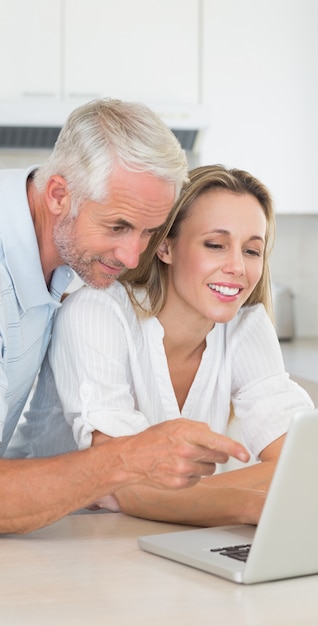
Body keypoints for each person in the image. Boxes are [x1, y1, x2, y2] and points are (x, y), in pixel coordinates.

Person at [13, 165, 313, 527]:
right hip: (60, 538)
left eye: (252, 251)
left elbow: (304, 463)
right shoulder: (97, 311)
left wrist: (201, 499)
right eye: (215, 245)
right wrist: (247, 501)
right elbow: (121, 479)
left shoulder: (245, 326)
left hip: (166, 534)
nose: (237, 266)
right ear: (166, 246)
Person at [0, 100, 250, 535]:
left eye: (150, 231)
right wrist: (125, 458)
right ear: (58, 195)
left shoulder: (59, 257)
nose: (133, 256)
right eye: (118, 227)